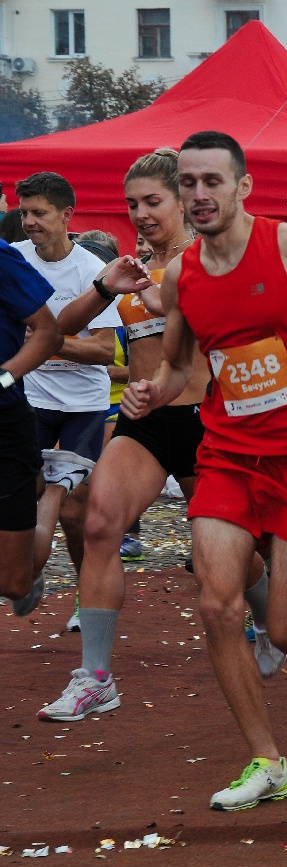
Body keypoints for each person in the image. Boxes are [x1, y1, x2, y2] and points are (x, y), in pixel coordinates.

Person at [121, 130, 287, 809]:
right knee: (217, 601)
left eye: (212, 181)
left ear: (242, 186)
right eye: (188, 183)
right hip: (228, 451)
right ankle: (267, 760)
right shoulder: (183, 275)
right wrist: (151, 390)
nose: (199, 194)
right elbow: (180, 364)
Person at [36, 149, 218, 722]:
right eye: (132, 203)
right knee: (98, 525)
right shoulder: (130, 266)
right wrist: (104, 286)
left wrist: (170, 300)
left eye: (152, 201)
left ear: (183, 202)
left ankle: (264, 618)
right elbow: (57, 331)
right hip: (144, 423)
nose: (140, 214)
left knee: (231, 559)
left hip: (207, 421)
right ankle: (95, 678)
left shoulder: (212, 259)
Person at [11, 172, 119, 618]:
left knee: (74, 513)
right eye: (24, 213)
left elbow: (103, 350)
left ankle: (83, 593)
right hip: (32, 398)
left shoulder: (93, 271)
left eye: (39, 213)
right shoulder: (14, 257)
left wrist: (47, 341)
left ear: (67, 215)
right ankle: (27, 568)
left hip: (83, 405)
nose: (29, 222)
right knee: (24, 492)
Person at [0, 239, 62, 609]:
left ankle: (55, 490)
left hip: (5, 425)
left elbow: (49, 332)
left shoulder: (2, 258)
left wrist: (3, 379)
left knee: (13, 583)